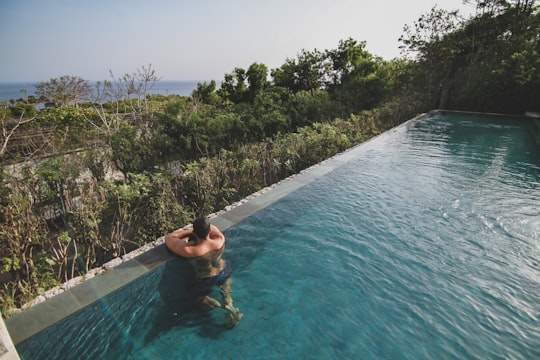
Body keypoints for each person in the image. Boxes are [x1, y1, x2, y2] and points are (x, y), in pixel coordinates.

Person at [165, 217, 242, 328]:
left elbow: (169, 237)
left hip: (207, 279)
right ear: (209, 231)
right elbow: (213, 228)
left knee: (195, 297)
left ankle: (218, 305)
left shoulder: (190, 251)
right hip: (223, 271)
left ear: (194, 232)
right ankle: (229, 304)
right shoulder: (219, 240)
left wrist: (189, 232)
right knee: (225, 286)